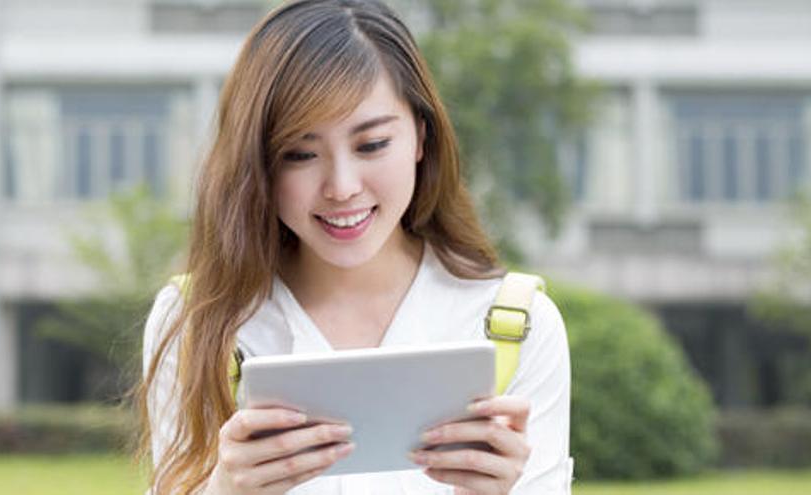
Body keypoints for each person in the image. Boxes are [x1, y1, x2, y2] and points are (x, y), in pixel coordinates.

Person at [136, 0, 573, 493]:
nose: (341, 187)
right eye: (300, 154)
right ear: (258, 164)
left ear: (420, 138)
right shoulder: (198, 321)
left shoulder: (517, 326)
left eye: (371, 145)